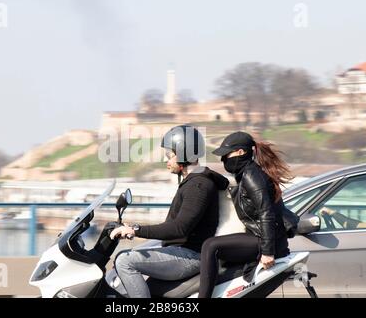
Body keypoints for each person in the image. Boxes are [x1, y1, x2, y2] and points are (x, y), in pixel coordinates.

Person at [109, 125, 228, 298]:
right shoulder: (194, 181)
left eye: (170, 156)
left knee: (125, 260)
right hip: (181, 250)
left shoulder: (199, 185)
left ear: (184, 154)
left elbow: (179, 228)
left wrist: (135, 230)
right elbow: (172, 227)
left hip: (191, 256)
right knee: (129, 254)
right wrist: (133, 229)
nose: (167, 161)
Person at [198, 131, 292, 298]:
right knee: (211, 244)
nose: (223, 159)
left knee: (210, 246)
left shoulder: (251, 175)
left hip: (267, 241)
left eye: (227, 155)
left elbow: (266, 213)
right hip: (260, 236)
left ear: (241, 152)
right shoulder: (246, 174)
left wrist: (267, 251)